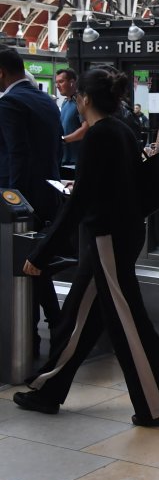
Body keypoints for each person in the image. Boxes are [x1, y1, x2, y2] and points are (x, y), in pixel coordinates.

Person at [13, 66, 159, 426]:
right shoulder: (121, 129)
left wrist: (42, 251)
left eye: (77, 96)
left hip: (108, 237)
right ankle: (48, 391)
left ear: (85, 99)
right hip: (119, 234)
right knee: (80, 316)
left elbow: (80, 202)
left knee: (127, 319)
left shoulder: (100, 135)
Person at [0, 47, 64, 354]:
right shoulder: (46, 100)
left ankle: (34, 334)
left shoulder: (10, 102)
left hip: (19, 199)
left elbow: (17, 154)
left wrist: (14, 202)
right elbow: (57, 150)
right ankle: (52, 325)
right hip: (46, 194)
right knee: (36, 266)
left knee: (23, 265)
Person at [55, 68, 85, 164]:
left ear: (72, 82)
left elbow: (85, 129)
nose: (57, 86)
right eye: (56, 82)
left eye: (61, 82)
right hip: (64, 160)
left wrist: (63, 140)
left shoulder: (80, 101)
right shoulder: (65, 103)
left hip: (77, 161)